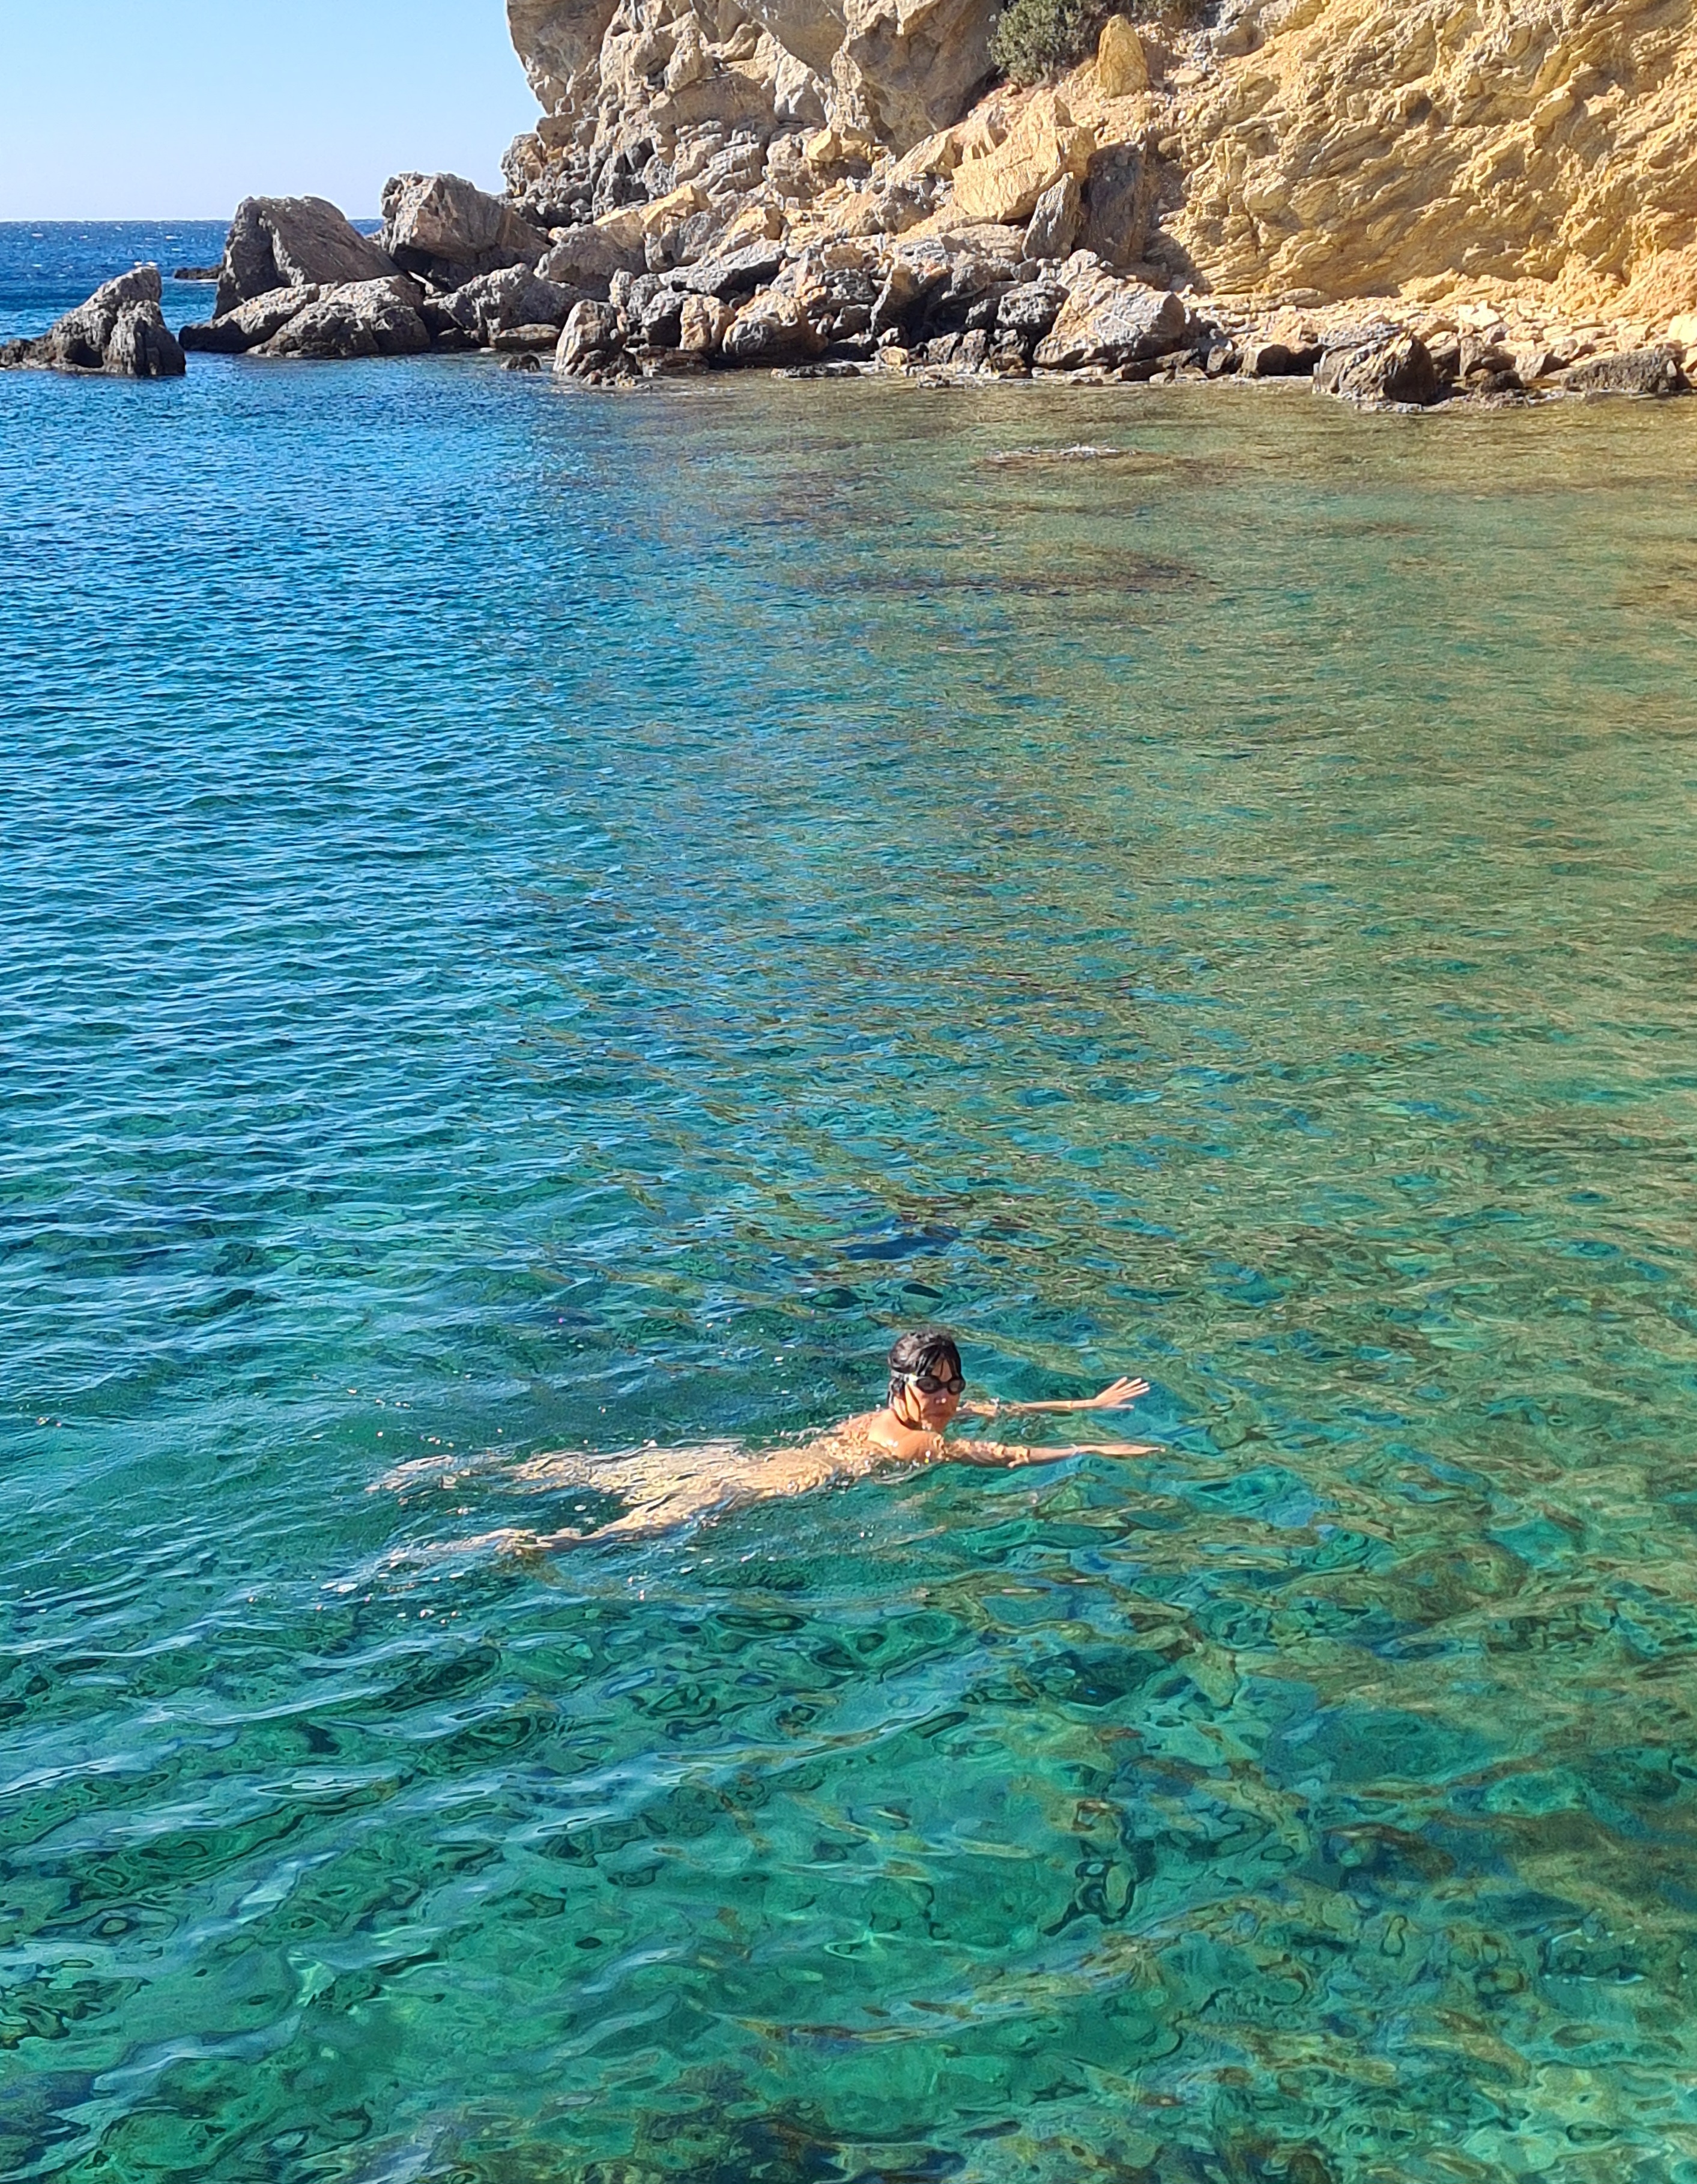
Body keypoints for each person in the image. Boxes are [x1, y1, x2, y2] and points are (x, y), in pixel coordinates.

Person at [412, 1329, 1154, 1552]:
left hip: (742, 1456)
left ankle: (460, 1471)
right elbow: (1010, 1454)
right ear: (900, 1387)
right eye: (935, 1387)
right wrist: (1090, 1450)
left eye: (955, 1385)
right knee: (629, 1532)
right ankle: (533, 1544)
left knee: (588, 1470)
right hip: (766, 1481)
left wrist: (1088, 1403)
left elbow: (1007, 1413)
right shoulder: (920, 1445)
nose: (949, 1399)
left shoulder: (910, 1419)